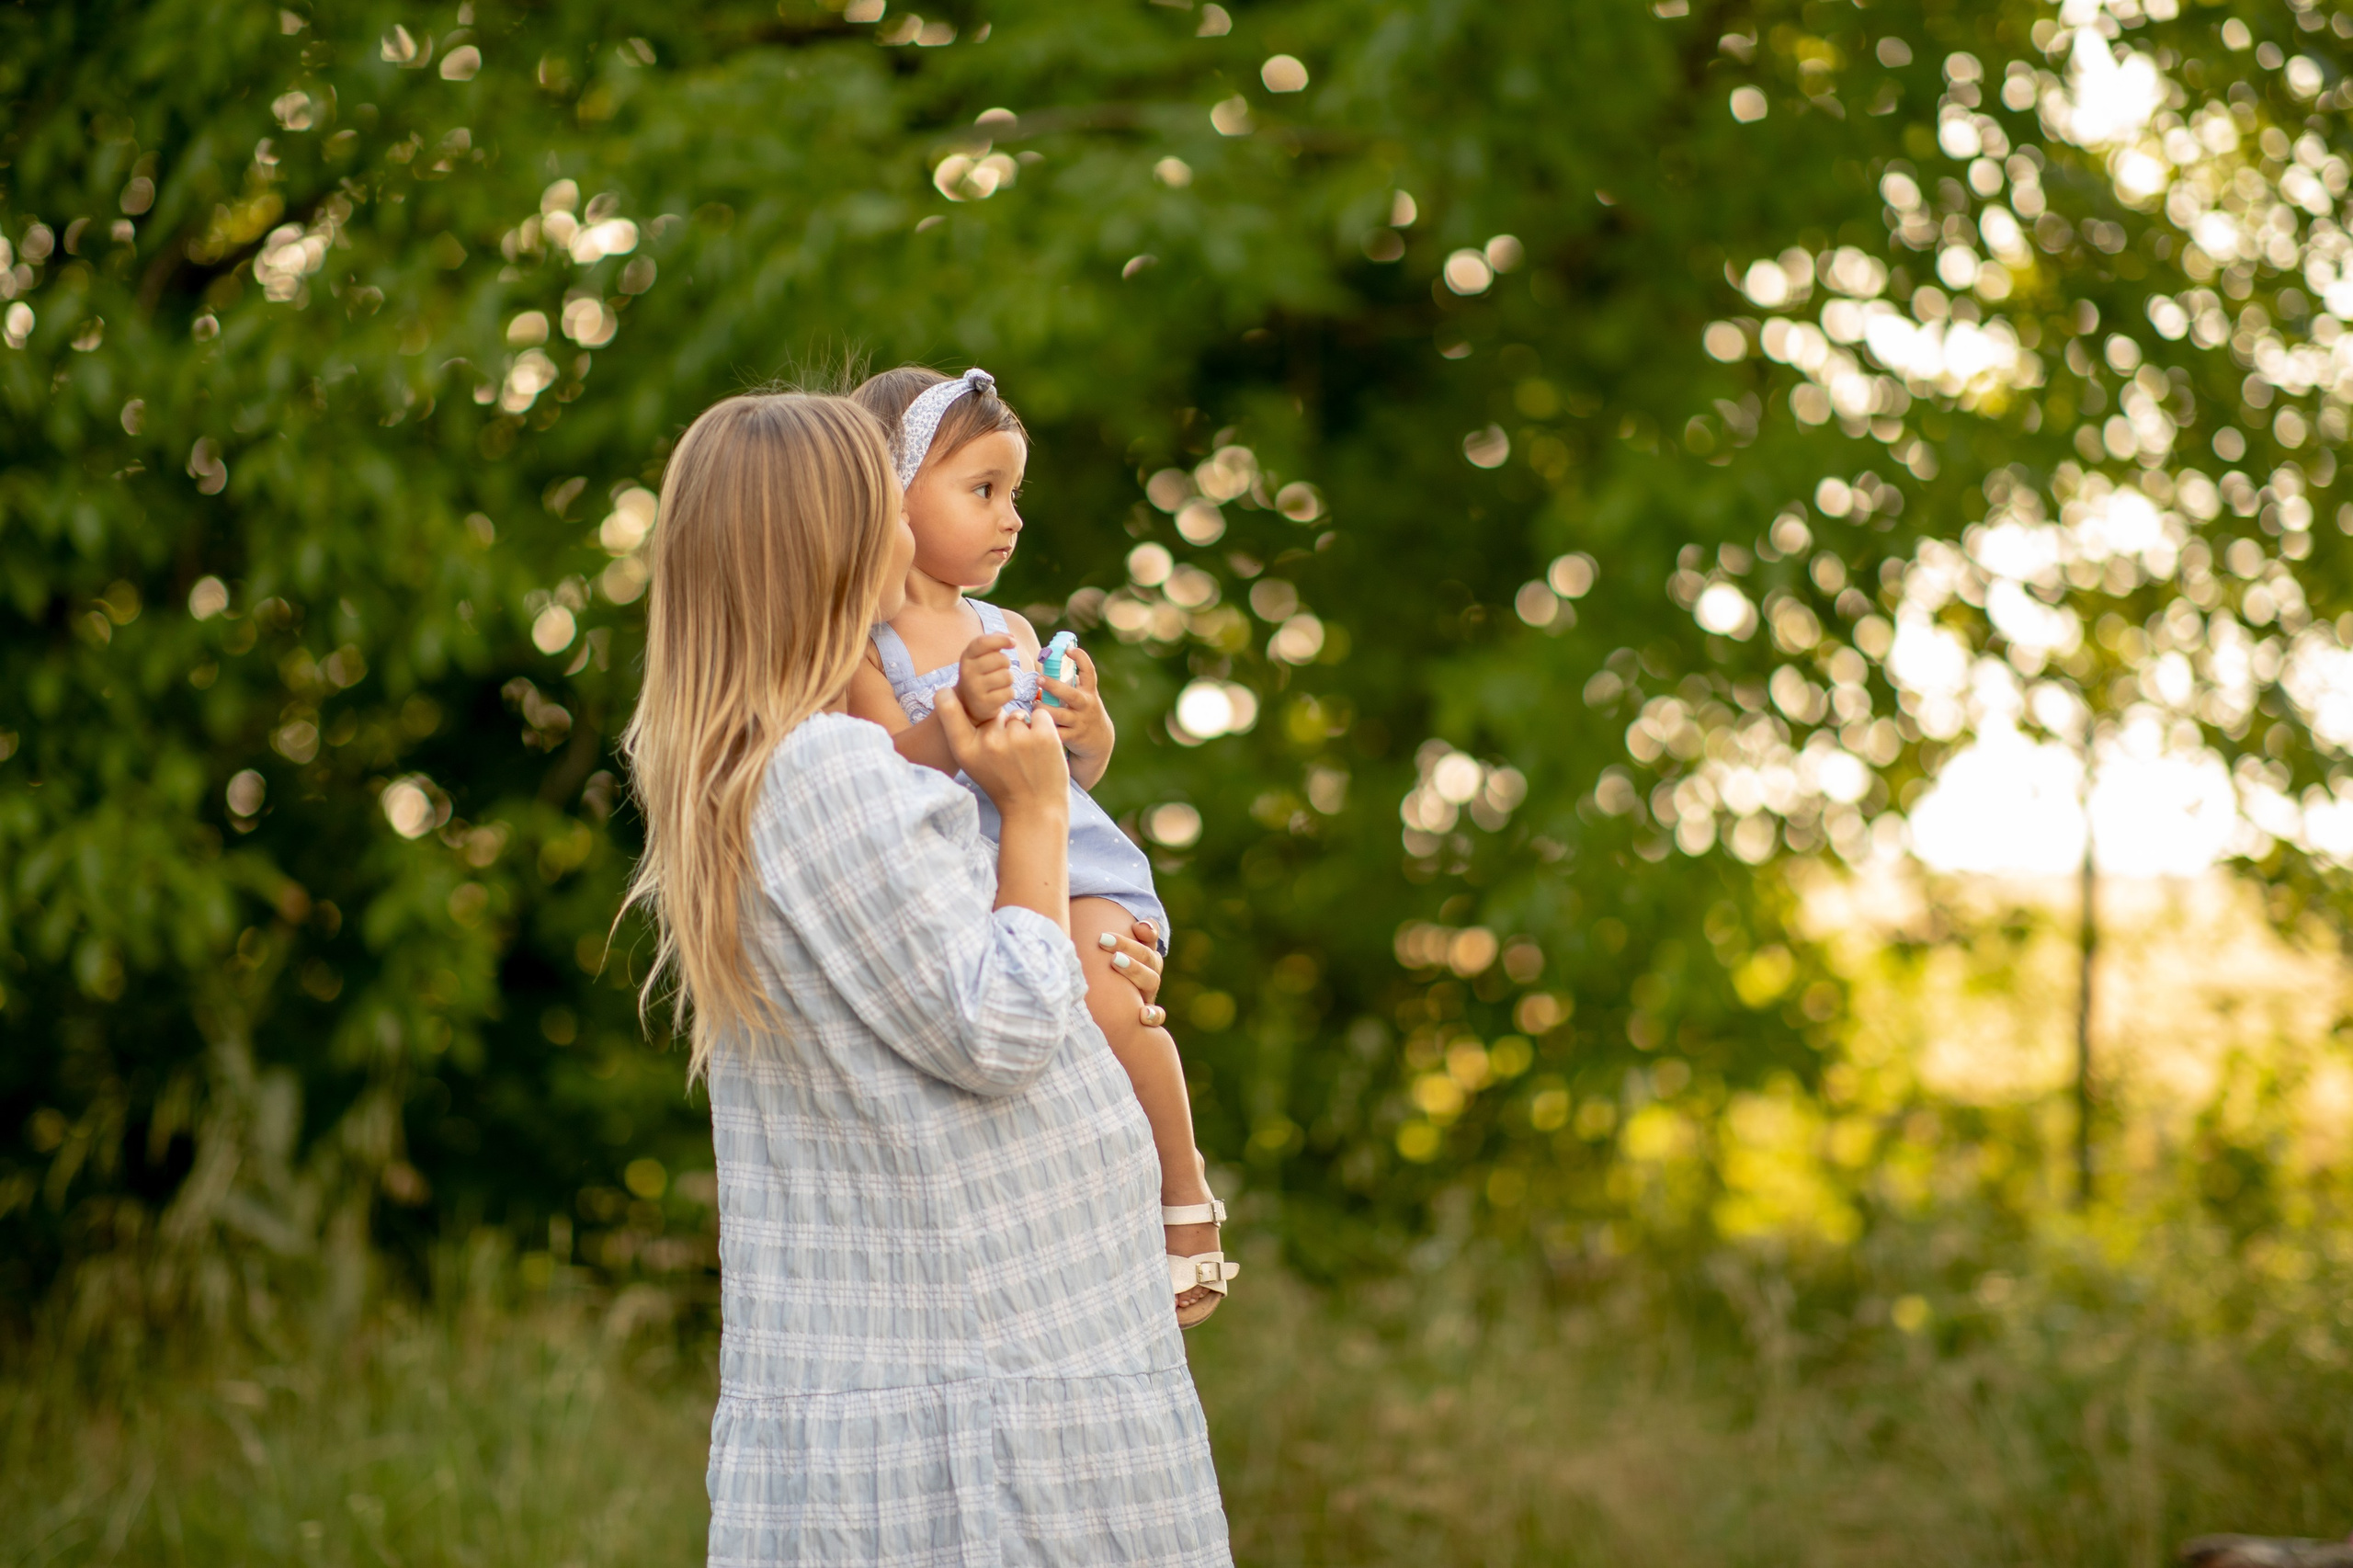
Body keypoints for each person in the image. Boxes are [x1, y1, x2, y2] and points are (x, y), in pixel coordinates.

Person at [618, 392, 1233, 1566]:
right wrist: (1037, 815)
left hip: (1023, 1366)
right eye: (882, 511)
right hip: (992, 1407)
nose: (908, 535)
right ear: (828, 544)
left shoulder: (811, 760)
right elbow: (1000, 1024)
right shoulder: (826, 770)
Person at [842, 365, 1236, 1328]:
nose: (1011, 518)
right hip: (973, 891)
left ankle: (1183, 1191)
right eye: (982, 490)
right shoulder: (860, 644)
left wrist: (1087, 724)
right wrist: (956, 719)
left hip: (1076, 871)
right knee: (1029, 1045)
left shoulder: (1010, 628)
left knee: (1110, 1001)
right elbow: (879, 767)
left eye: (1014, 493)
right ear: (888, 494)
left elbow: (1078, 772)